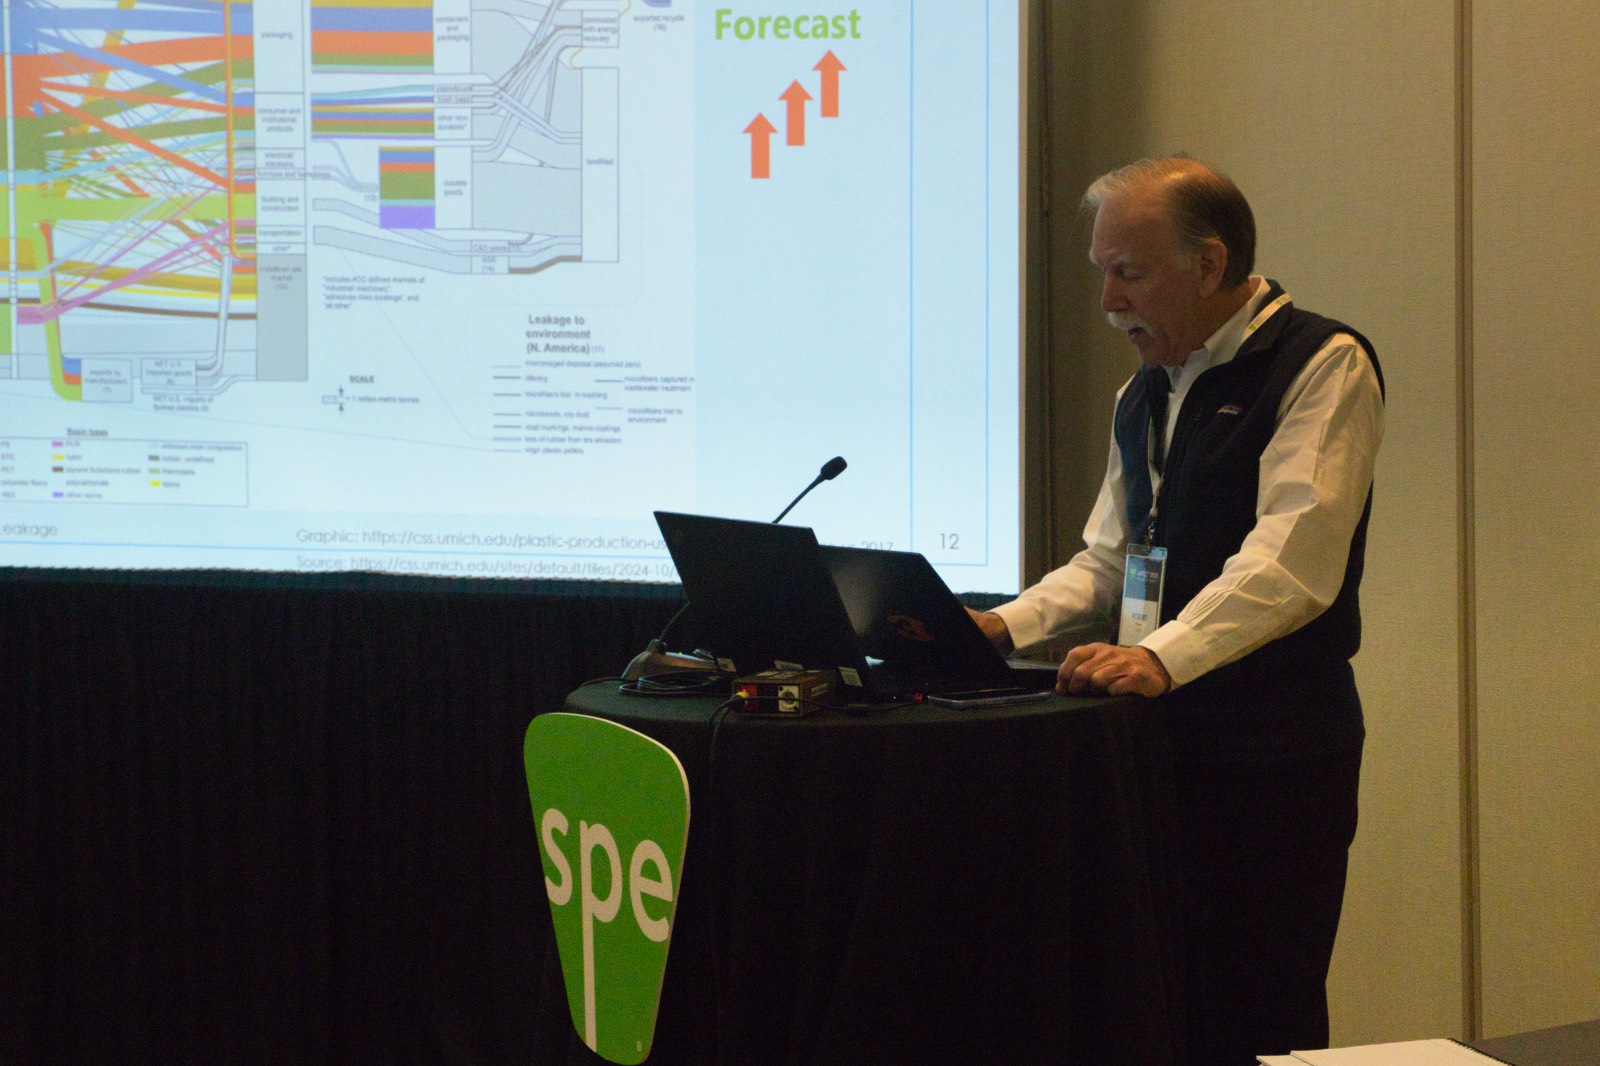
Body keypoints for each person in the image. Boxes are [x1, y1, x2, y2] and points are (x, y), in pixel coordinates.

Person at [971, 156, 1385, 1065]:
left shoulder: (1321, 363)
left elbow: (1293, 560)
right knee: (1155, 1010)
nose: (1109, 301)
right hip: (1152, 747)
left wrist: (1160, 654)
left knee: (1258, 1012)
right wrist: (1001, 625)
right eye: (1102, 273)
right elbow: (1110, 561)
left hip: (1273, 754)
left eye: (1129, 272)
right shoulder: (1144, 391)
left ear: (1209, 263)